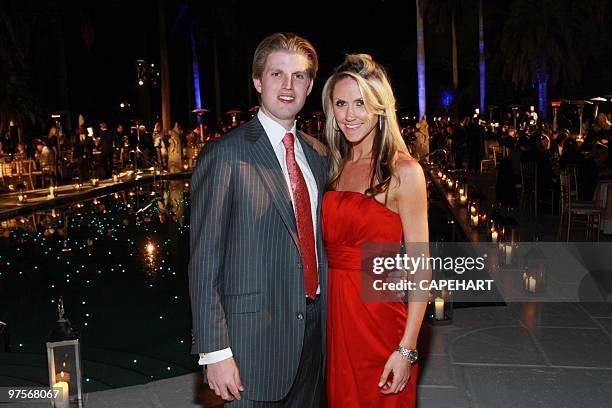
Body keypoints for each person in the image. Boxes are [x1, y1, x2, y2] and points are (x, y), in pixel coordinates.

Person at [189, 32, 328, 407]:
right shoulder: (224, 155)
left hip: (316, 336)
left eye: (298, 76)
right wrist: (215, 351)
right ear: (257, 81)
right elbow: (204, 261)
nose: (288, 85)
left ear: (310, 85)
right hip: (252, 344)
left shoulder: (318, 156)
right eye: (276, 74)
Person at [321, 54, 429, 407]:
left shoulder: (404, 172)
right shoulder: (335, 167)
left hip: (379, 320)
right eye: (341, 103)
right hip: (335, 321)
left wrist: (407, 348)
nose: (350, 115)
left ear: (381, 107)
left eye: (361, 103)